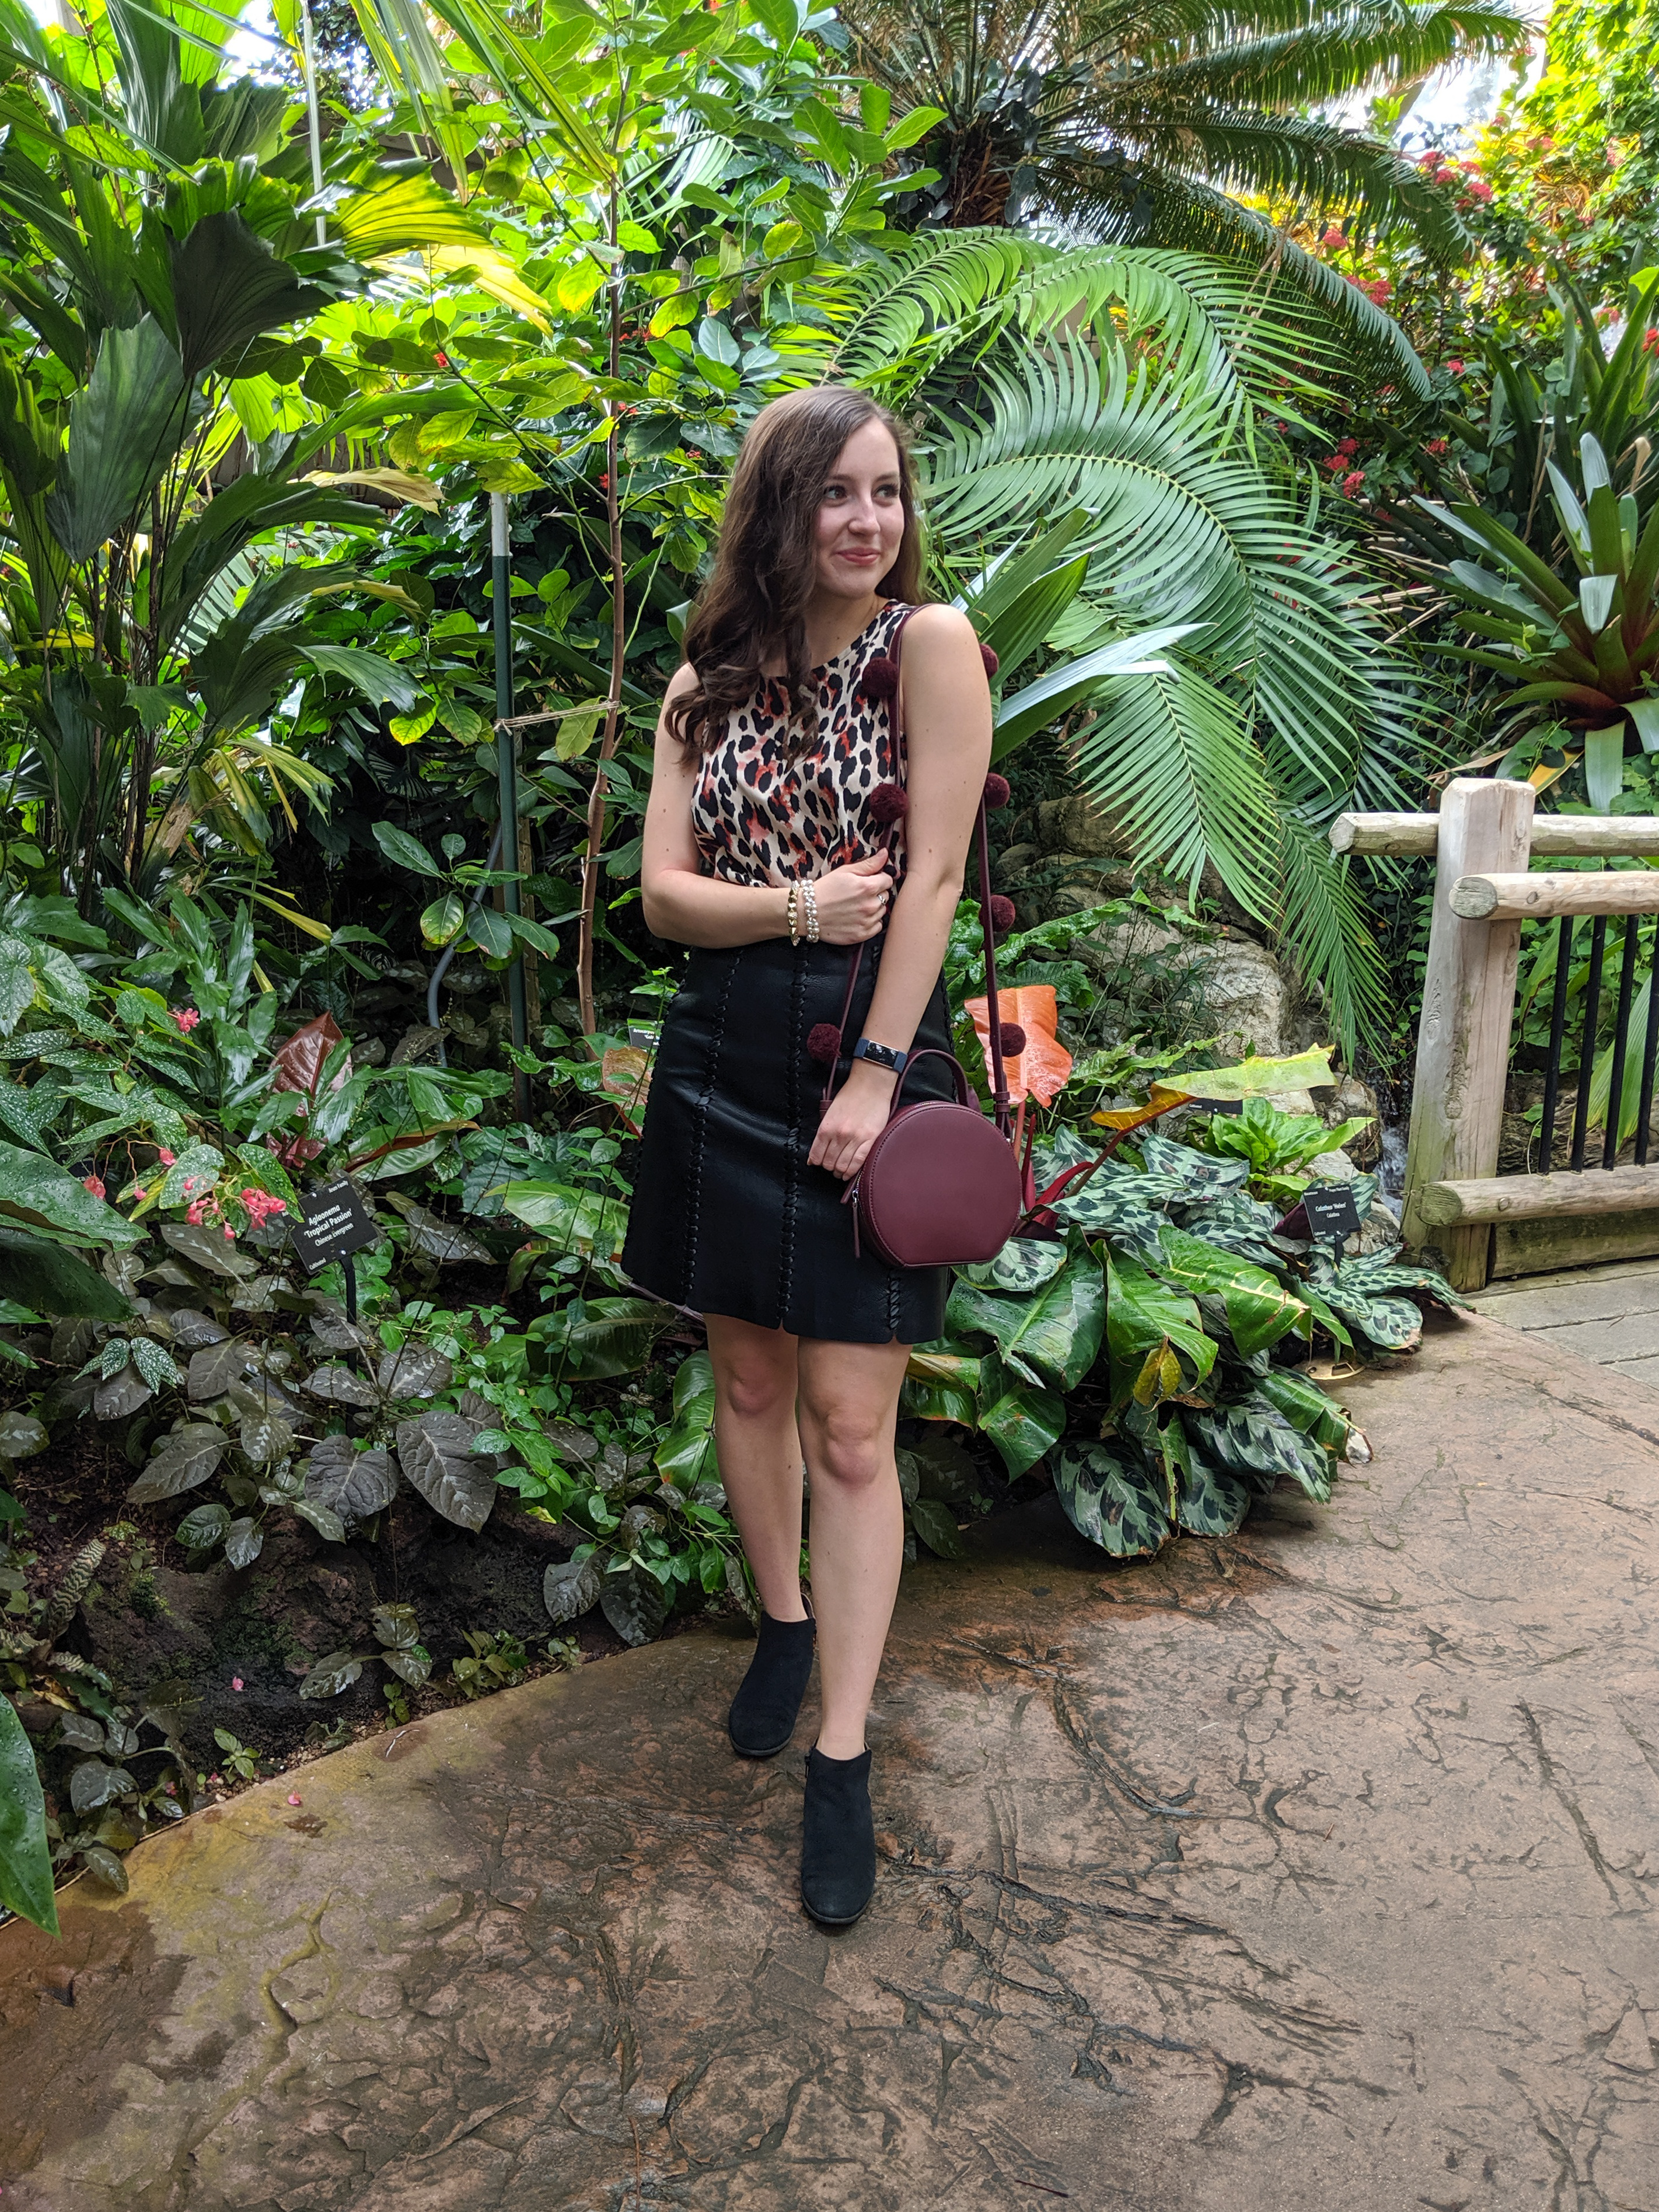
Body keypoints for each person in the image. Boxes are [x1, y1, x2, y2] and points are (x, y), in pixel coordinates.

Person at [623, 384, 993, 1926]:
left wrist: (881, 1072)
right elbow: (659, 897)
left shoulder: (930, 645)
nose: (866, 520)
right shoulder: (704, 681)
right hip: (719, 1048)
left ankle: (841, 1753)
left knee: (849, 1427)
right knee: (749, 1383)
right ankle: (778, 1622)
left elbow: (933, 879)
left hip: (864, 1043)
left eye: (886, 491)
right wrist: (779, 910)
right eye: (834, 493)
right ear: (778, 510)